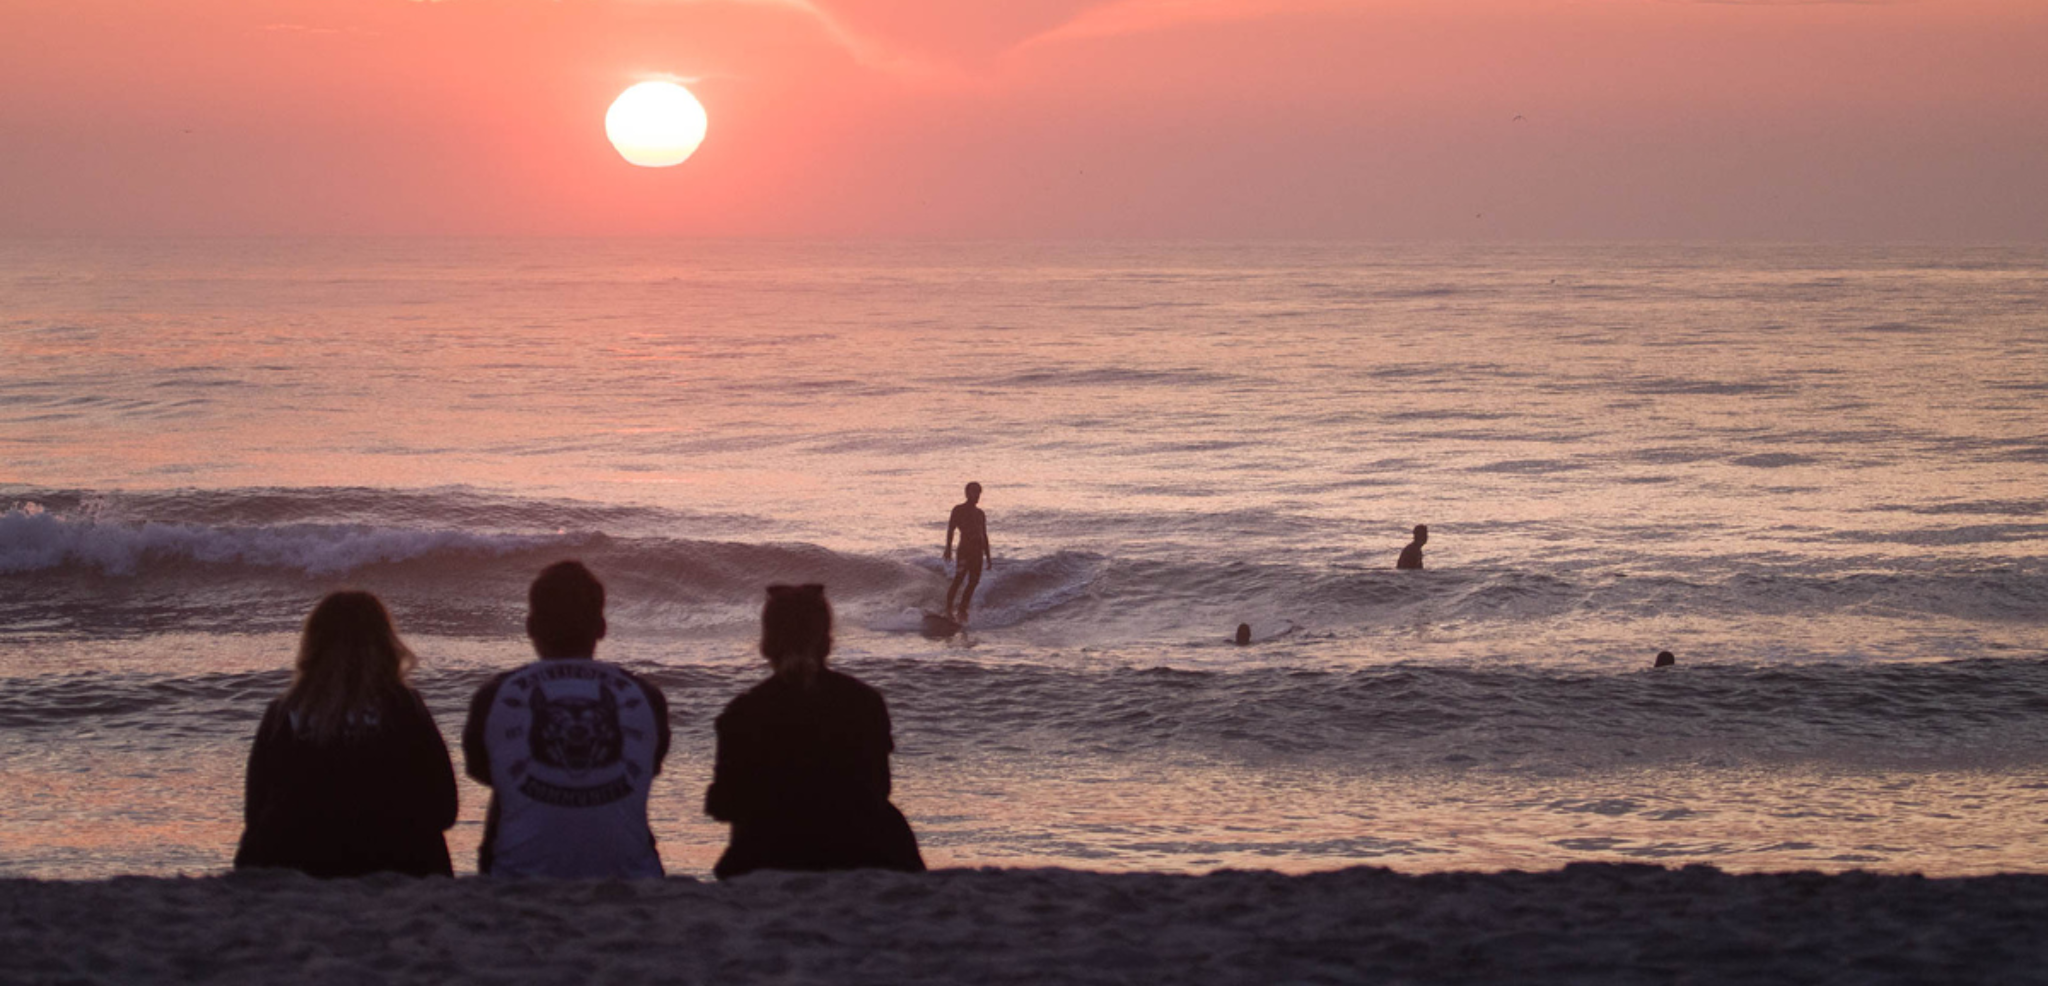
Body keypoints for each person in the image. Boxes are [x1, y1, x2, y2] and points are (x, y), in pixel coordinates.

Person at [463, 561, 670, 878]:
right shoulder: (645, 696)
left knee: (508, 786)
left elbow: (483, 771)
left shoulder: (494, 696)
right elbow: (647, 767)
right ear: (602, 627)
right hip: (630, 881)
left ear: (530, 626)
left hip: (517, 879)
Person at [705, 584, 925, 880]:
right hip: (864, 854)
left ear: (767, 643)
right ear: (827, 641)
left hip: (771, 858)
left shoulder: (744, 712)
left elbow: (723, 804)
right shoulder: (864, 702)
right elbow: (879, 788)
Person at [235, 591, 457, 878]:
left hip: (293, 866)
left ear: (312, 645)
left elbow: (256, 814)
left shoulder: (282, 714)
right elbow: (444, 809)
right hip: (395, 864)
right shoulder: (405, 707)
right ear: (386, 643)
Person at [943, 481, 994, 623]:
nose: (976, 495)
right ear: (967, 493)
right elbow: (951, 529)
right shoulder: (958, 510)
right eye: (974, 492)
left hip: (977, 553)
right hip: (964, 551)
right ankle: (947, 609)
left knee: (974, 581)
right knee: (959, 579)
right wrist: (948, 548)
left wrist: (988, 557)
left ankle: (962, 609)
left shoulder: (980, 514)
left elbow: (984, 535)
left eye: (978, 493)